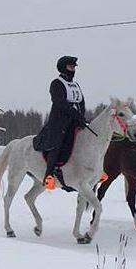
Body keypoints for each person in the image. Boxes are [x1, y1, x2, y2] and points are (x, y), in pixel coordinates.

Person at [33, 56, 88, 190]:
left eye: (74, 67)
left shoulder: (75, 85)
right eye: (71, 67)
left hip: (75, 120)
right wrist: (74, 113)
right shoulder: (57, 83)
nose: (73, 69)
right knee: (56, 144)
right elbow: (60, 102)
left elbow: (81, 101)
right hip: (59, 122)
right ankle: (49, 175)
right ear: (64, 68)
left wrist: (81, 116)